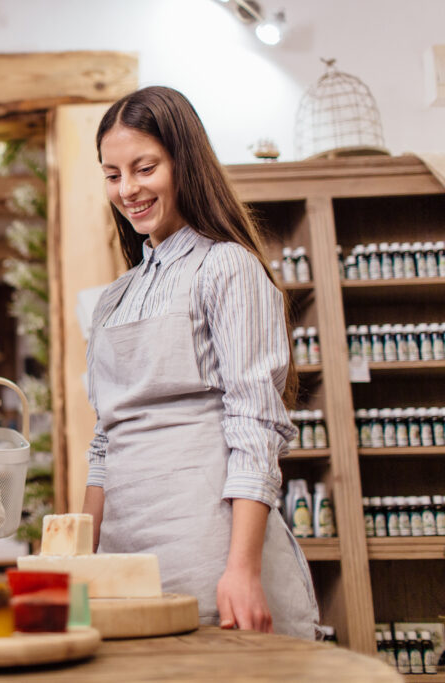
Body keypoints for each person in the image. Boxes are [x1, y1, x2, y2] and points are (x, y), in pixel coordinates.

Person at [81, 86, 320, 639]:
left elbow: (255, 424)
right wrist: (80, 559)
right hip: (124, 550)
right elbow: (104, 440)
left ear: (183, 162)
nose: (128, 189)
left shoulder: (226, 267)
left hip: (209, 544)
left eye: (144, 168)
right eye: (112, 174)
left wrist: (241, 569)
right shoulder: (114, 297)